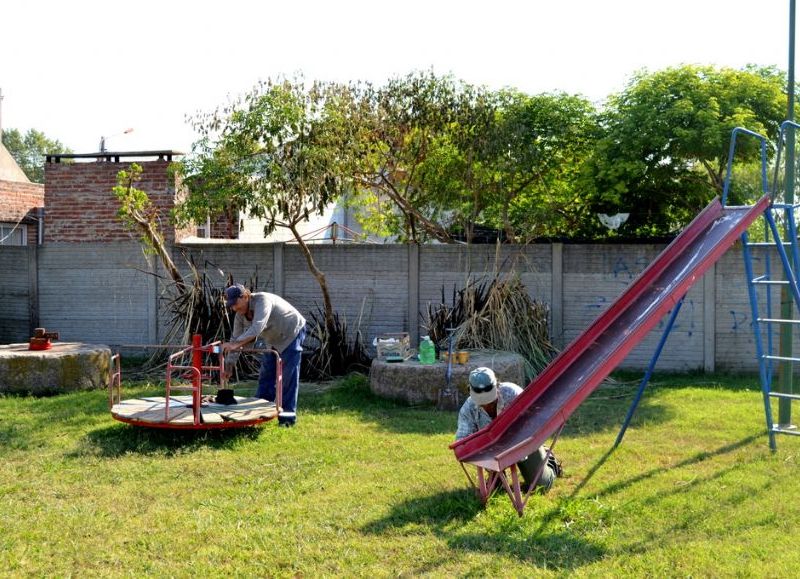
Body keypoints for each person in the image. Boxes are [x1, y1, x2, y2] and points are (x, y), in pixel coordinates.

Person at [455, 367, 561, 492]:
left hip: (523, 442)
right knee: (496, 489)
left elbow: (533, 423)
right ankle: (497, 477)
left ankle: (549, 460)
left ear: (497, 385)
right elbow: (462, 441)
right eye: (482, 400)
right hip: (493, 452)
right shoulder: (468, 409)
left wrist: (518, 447)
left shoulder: (513, 394)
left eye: (489, 399)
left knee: (540, 487)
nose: (487, 404)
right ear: (470, 391)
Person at [222, 284, 306, 427]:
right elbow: (235, 339)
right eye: (231, 305)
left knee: (288, 377)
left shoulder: (263, 301)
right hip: (272, 339)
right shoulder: (239, 316)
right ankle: (259, 414)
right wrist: (229, 365)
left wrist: (235, 345)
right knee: (266, 375)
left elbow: (257, 327)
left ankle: (287, 419)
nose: (234, 308)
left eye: (235, 303)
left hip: (291, 333)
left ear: (245, 296)